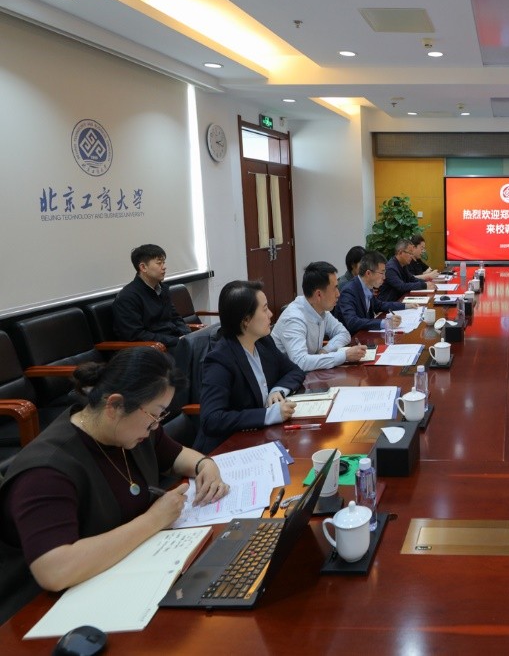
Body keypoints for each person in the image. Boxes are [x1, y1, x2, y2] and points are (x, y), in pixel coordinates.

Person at [0, 348, 229, 616]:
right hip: (46, 608)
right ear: (114, 405)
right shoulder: (46, 471)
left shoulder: (130, 430)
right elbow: (54, 570)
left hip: (123, 570)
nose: (156, 426)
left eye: (161, 416)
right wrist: (154, 520)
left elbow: (177, 455)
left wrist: (206, 465)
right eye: (154, 415)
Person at [193, 280, 304, 454]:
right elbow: (212, 419)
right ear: (246, 320)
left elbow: (294, 370)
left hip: (261, 438)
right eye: (265, 309)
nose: (271, 314)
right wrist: (268, 415)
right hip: (227, 449)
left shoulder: (264, 342)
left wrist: (277, 390)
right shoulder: (220, 360)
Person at [271, 261, 367, 371]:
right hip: (286, 376)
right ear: (319, 295)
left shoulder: (321, 309)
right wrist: (343, 356)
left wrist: (325, 351)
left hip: (310, 373)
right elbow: (300, 362)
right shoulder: (293, 318)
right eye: (335, 288)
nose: (338, 294)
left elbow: (344, 333)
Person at [112, 243, 192, 347]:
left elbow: (175, 318)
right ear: (143, 267)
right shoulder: (127, 297)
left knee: (206, 341)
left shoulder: (163, 289)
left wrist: (188, 336)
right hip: (153, 349)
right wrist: (175, 341)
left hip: (173, 341)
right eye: (159, 263)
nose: (164, 267)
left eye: (163, 262)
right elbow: (136, 335)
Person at [338, 250, 407, 334]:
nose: (384, 277)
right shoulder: (349, 291)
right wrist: (385, 323)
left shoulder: (367, 286)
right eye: (382, 273)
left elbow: (379, 305)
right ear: (368, 273)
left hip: (366, 335)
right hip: (352, 338)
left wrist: (405, 305)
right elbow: (352, 322)